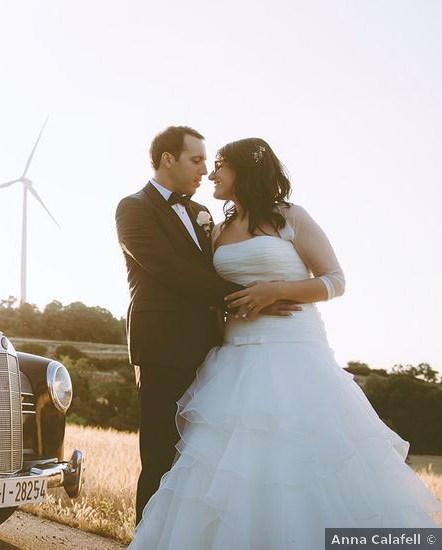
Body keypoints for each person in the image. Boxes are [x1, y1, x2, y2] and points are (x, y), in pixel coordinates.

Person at [127, 138, 442, 548]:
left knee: (302, 463)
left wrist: (277, 290)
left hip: (293, 352)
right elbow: (199, 284)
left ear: (246, 171)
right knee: (228, 470)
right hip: (233, 359)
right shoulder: (216, 229)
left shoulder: (291, 217)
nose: (211, 174)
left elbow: (335, 281)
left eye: (220, 164)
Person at [115, 127, 298, 523]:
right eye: (196, 160)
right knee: (162, 454)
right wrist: (250, 295)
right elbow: (171, 271)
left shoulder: (204, 215)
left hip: (213, 350)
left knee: (200, 460)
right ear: (168, 159)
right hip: (164, 348)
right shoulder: (133, 208)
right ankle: (147, 538)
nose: (204, 170)